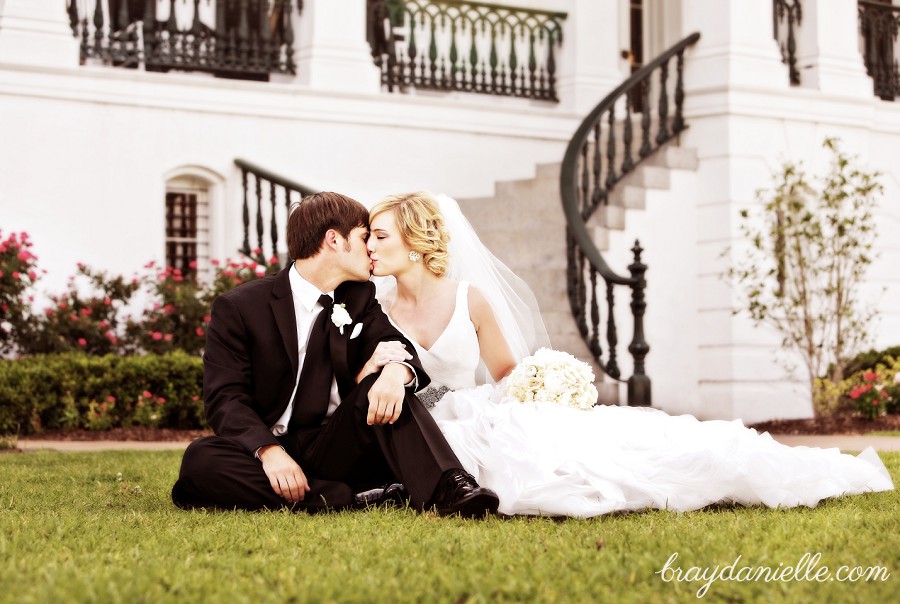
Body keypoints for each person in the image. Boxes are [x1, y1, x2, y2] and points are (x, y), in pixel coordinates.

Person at [366, 191, 894, 517]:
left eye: (379, 234)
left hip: (470, 410)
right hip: (416, 421)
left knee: (592, 457)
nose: (368, 244)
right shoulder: (374, 306)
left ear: (414, 241)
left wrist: (542, 390)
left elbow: (506, 374)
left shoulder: (468, 299)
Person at [171, 191, 499, 517]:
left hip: (335, 443)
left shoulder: (358, 298)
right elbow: (225, 398)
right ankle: (349, 497)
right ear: (334, 240)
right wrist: (269, 451)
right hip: (270, 444)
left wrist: (395, 374)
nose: (371, 248)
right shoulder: (240, 307)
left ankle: (452, 486)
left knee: (382, 389)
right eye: (363, 236)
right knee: (201, 461)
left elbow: (401, 348)